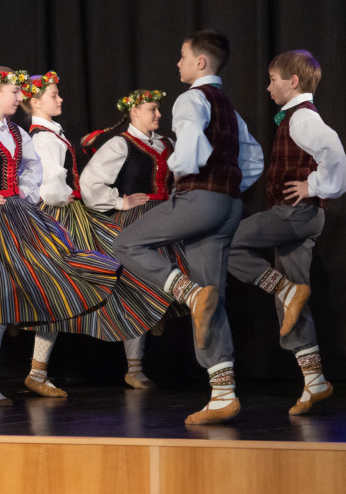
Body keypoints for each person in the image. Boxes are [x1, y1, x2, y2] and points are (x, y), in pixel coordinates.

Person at [0, 67, 118, 407]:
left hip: (18, 216)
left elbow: (33, 168)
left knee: (48, 280)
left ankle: (20, 375)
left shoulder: (16, 133)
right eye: (14, 91)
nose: (20, 97)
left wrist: (23, 193)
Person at [113, 31, 263, 425]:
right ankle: (223, 394)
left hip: (201, 199)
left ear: (200, 62)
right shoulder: (229, 107)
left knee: (126, 243)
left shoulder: (191, 98)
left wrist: (182, 171)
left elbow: (192, 143)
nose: (178, 63)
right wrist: (229, 185)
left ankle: (189, 293)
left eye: (182, 56)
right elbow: (253, 158)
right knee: (213, 296)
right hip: (230, 204)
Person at [23, 72, 171, 397]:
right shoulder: (43, 138)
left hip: (75, 213)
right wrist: (113, 201)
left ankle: (141, 350)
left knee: (123, 281)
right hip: (60, 216)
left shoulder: (51, 133)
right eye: (53, 95)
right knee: (60, 291)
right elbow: (49, 186)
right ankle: (35, 370)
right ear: (34, 101)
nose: (60, 99)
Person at [226, 51, 346, 414]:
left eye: (273, 80)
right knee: (293, 305)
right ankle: (315, 381)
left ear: (293, 82)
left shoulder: (303, 119)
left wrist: (313, 186)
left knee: (228, 242)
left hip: (296, 214)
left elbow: (340, 166)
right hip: (299, 217)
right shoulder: (297, 118)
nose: (268, 88)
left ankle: (284, 288)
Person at [77, 89, 181, 389]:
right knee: (136, 290)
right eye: (152, 109)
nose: (159, 114)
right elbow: (90, 182)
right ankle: (134, 368)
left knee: (177, 278)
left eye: (158, 109)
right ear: (134, 112)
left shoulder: (167, 144)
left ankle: (160, 316)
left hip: (168, 219)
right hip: (137, 222)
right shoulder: (120, 144)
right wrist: (119, 202)